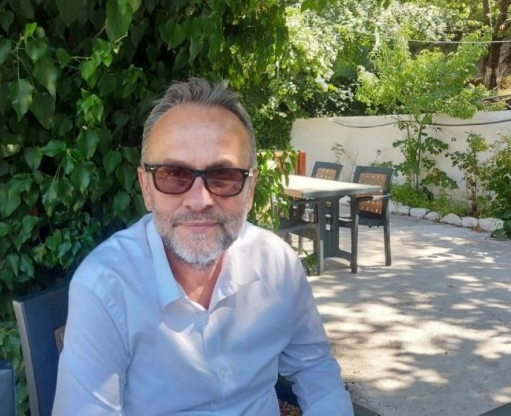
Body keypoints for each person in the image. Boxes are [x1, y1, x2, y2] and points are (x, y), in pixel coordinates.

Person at [53, 78, 353, 415]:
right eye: (173, 174)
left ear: (250, 190)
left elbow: (315, 368)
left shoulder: (278, 264)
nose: (199, 200)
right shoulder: (105, 287)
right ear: (146, 188)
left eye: (224, 175)